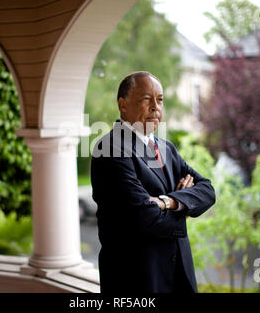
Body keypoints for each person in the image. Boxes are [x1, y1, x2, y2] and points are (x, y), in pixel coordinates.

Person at [90, 71, 216, 293]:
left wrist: (168, 203)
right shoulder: (109, 149)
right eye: (146, 99)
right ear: (123, 105)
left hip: (180, 277)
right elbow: (143, 216)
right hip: (136, 281)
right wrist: (185, 207)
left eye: (160, 100)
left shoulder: (167, 148)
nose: (155, 107)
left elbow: (207, 190)